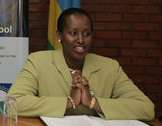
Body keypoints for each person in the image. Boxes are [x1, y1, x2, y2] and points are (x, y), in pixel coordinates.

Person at [8, 8, 155, 120]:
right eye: (73, 33)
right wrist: (68, 102)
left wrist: (93, 102)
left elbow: (147, 108)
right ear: (59, 36)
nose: (81, 40)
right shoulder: (38, 61)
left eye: (87, 34)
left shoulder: (110, 67)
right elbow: (13, 103)